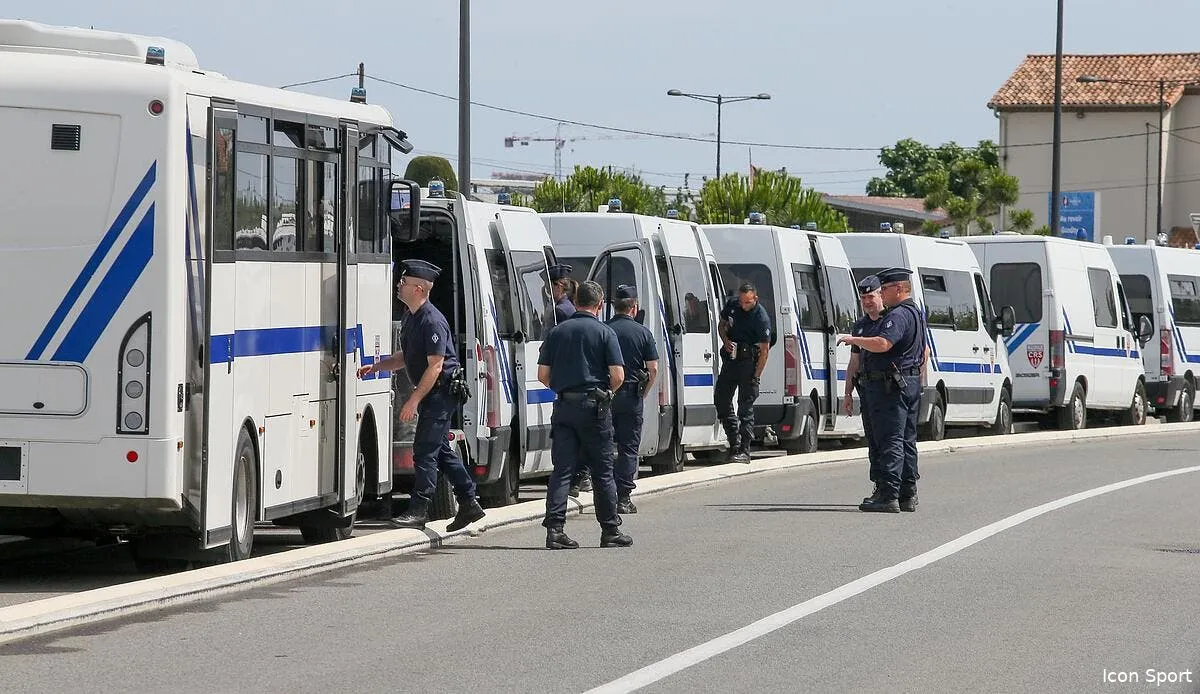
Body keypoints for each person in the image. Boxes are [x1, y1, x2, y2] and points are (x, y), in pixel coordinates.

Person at [357, 260, 486, 531]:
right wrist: (377, 366)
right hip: (433, 392)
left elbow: (436, 365)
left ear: (418, 288)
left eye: (403, 282)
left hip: (441, 392)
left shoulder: (432, 320)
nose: (398, 285)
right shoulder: (411, 316)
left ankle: (419, 509)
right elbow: (407, 355)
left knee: (424, 450)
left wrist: (414, 399)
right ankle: (469, 502)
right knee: (439, 450)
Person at [537, 280, 632, 549]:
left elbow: (543, 375)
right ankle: (610, 530)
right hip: (594, 409)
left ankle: (555, 530)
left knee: (563, 471)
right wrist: (604, 391)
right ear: (600, 305)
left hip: (564, 407)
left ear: (576, 301)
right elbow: (618, 376)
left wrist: (565, 387)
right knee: (602, 471)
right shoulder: (604, 333)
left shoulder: (557, 332)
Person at [837, 267, 926, 513]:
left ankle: (888, 494)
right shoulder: (915, 312)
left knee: (890, 440)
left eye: (883, 289)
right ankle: (907, 493)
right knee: (905, 439)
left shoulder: (897, 315)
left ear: (898, 289)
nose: (881, 294)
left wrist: (854, 340)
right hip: (905, 384)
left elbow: (883, 343)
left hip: (890, 387)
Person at [605, 284, 659, 514]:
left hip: (606, 396)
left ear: (615, 306)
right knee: (628, 448)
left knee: (604, 446)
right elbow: (653, 369)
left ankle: (603, 493)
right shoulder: (643, 332)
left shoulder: (604, 329)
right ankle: (623, 498)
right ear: (634, 307)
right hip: (631, 396)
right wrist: (645, 391)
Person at [715, 283, 772, 463]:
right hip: (732, 359)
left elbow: (764, 351)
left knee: (745, 407)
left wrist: (756, 376)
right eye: (741, 301)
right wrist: (725, 340)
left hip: (749, 362)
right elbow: (721, 325)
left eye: (747, 302)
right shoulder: (733, 305)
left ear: (755, 299)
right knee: (721, 400)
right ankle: (734, 442)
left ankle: (745, 450)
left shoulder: (761, 317)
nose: (743, 305)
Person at [842, 275, 886, 504]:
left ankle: (893, 489)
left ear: (881, 295)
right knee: (874, 442)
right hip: (867, 390)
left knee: (889, 441)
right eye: (863, 298)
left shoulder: (891, 320)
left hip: (888, 389)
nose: (867, 301)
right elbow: (854, 363)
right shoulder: (860, 326)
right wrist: (848, 393)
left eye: (871, 296)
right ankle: (880, 486)